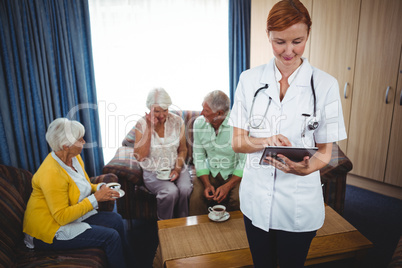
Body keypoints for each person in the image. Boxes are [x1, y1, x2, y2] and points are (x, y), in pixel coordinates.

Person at [229, 0, 347, 267]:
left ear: (308, 35)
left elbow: (326, 151)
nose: (289, 51)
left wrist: (307, 169)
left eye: (298, 41)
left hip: (299, 201)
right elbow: (237, 142)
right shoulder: (249, 80)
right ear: (268, 36)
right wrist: (263, 141)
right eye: (279, 41)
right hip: (256, 198)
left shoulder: (325, 85)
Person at [23, 118, 130, 268]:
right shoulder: (51, 174)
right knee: (110, 237)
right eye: (80, 139)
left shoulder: (74, 158)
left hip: (69, 218)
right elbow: (61, 217)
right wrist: (95, 198)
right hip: (49, 230)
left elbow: (84, 185)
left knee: (116, 219)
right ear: (66, 146)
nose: (84, 142)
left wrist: (101, 188)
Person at [134, 87, 192, 220]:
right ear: (149, 108)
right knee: (170, 192)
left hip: (176, 166)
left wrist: (177, 169)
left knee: (185, 189)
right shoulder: (141, 124)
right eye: (157, 111)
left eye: (165, 110)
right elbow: (140, 156)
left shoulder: (177, 121)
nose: (161, 115)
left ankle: (183, 223)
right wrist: (149, 128)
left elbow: (183, 150)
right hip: (153, 170)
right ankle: (165, 227)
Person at [189, 90, 245, 215]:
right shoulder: (199, 123)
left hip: (233, 174)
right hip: (210, 173)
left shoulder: (238, 124)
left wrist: (228, 186)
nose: (202, 113)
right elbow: (198, 156)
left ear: (219, 113)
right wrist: (207, 184)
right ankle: (197, 231)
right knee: (196, 197)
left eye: (206, 111)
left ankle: (235, 233)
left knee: (238, 199)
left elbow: (244, 161)